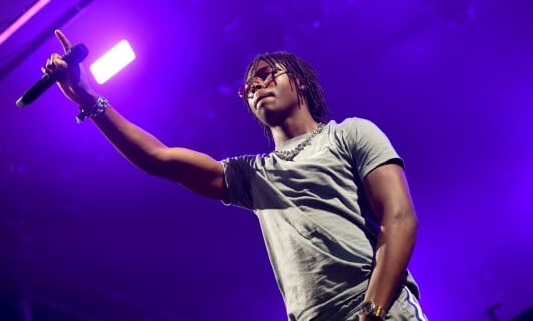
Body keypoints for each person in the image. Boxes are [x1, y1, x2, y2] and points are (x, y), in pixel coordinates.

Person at [44, 29, 427, 321]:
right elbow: (159, 158)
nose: (257, 85)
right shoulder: (252, 175)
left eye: (266, 74)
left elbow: (399, 218)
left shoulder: (350, 133)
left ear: (301, 81)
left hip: (379, 307)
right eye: (249, 87)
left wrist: (371, 311)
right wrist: (87, 98)